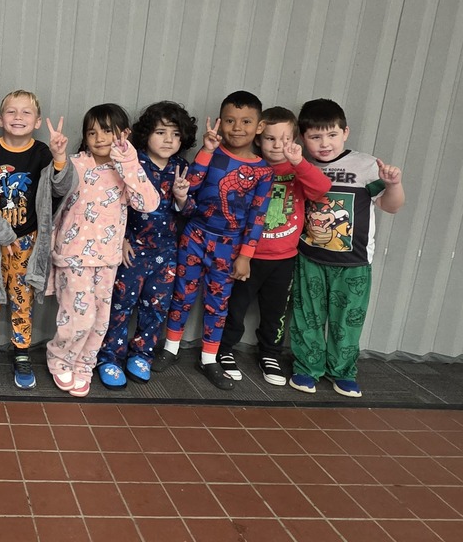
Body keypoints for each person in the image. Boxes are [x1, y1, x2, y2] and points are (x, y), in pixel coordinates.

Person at [156, 91, 273, 390]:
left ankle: (209, 359)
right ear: (220, 123)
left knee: (217, 304)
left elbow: (258, 216)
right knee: (181, 294)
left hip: (229, 246)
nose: (237, 127)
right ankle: (170, 348)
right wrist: (206, 151)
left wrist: (245, 255)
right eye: (230, 120)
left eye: (246, 121)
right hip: (195, 235)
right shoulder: (213, 154)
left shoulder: (263, 171)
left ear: (259, 127)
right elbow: (190, 187)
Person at [289, 99, 404, 398]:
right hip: (310, 257)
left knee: (347, 320)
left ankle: (343, 372)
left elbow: (392, 207)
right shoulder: (301, 164)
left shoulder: (366, 165)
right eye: (315, 136)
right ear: (303, 138)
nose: (324, 143)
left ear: (345, 132)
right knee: (307, 317)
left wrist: (393, 185)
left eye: (332, 135)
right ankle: (306, 368)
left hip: (354, 263)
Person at [46, 104, 159, 398]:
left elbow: (148, 204)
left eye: (107, 131)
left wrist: (129, 162)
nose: (99, 138)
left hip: (108, 259)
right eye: (92, 132)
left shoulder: (126, 170)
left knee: (100, 320)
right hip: (74, 256)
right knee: (76, 318)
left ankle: (85, 365)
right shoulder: (75, 163)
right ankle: (60, 360)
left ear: (124, 134)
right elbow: (54, 190)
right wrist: (59, 157)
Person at [216, 107, 331, 386]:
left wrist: (300, 163)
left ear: (296, 141)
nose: (278, 146)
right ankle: (225, 350)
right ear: (258, 139)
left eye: (285, 139)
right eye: (270, 139)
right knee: (236, 307)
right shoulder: (252, 167)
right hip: (248, 255)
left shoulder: (299, 171)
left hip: (284, 258)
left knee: (275, 312)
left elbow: (322, 189)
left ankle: (269, 353)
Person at [0, 90, 72, 390]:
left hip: (27, 242)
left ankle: (21, 352)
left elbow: (60, 188)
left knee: (21, 299)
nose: (18, 117)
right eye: (11, 112)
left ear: (37, 121)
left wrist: (60, 156)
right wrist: (0, 232)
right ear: (0, 119)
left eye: (26, 112)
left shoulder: (41, 153)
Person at [96, 101, 196, 388]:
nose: (168, 140)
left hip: (166, 252)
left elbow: (189, 212)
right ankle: (109, 357)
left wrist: (180, 197)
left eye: (175, 134)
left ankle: (141, 354)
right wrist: (122, 239)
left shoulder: (181, 168)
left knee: (155, 307)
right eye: (161, 132)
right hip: (132, 249)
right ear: (146, 134)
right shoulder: (132, 163)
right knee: (120, 305)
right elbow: (115, 205)